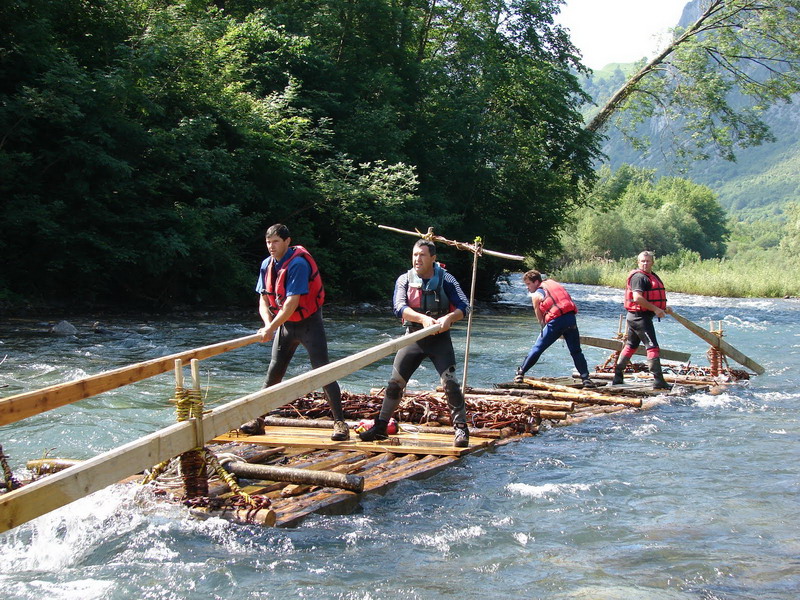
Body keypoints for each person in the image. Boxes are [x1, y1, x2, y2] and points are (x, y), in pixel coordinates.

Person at [239, 224, 349, 441]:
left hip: (309, 324)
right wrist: (267, 324)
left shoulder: (298, 264)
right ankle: (258, 420)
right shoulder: (266, 265)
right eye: (268, 242)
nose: (271, 246)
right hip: (285, 326)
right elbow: (263, 298)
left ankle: (340, 424)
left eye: (276, 241)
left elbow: (291, 303)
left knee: (323, 371)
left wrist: (271, 327)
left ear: (287, 241)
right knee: (274, 372)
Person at [358, 239, 472, 447]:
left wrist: (449, 318)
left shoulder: (447, 278)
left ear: (433, 258)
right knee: (395, 384)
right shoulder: (404, 279)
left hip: (439, 339)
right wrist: (423, 319)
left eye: (422, 255)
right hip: (413, 337)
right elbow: (399, 307)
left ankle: (461, 429)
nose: (417, 259)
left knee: (451, 384)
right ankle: (381, 426)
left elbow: (465, 305)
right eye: (415, 255)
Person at [513, 270, 596, 388]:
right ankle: (586, 379)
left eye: (528, 284)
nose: (527, 287)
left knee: (538, 348)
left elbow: (538, 305)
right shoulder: (552, 284)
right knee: (576, 351)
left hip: (556, 321)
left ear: (536, 282)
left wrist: (542, 325)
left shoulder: (539, 291)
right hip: (570, 319)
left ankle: (520, 373)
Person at [612, 250, 672, 389]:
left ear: (653, 262)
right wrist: (656, 309)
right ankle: (658, 381)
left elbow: (650, 296)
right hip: (639, 318)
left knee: (631, 345)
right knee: (652, 347)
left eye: (648, 261)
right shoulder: (638, 277)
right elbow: (637, 298)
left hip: (638, 317)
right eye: (642, 261)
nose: (645, 263)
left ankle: (617, 376)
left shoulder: (651, 276)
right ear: (638, 262)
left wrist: (663, 307)